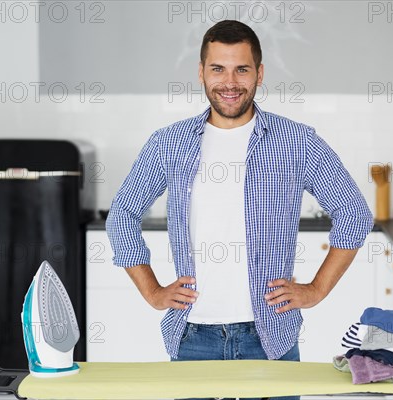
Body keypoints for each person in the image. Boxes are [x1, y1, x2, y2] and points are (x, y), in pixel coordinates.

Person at [106, 19, 373, 397]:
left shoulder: (296, 141)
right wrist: (152, 291)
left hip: (269, 339)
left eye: (241, 69)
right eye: (218, 68)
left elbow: (355, 213)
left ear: (259, 73)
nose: (229, 82)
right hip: (192, 338)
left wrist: (316, 290)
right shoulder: (168, 143)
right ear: (201, 72)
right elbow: (122, 215)